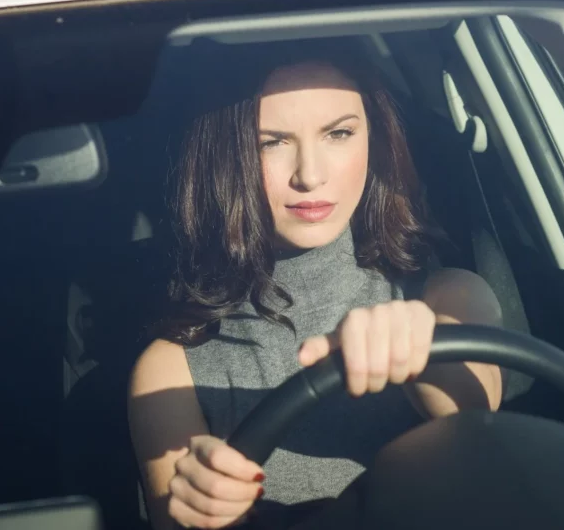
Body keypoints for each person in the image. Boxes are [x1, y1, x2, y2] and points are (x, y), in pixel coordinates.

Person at [127, 40, 505, 530]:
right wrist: (202, 508)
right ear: (225, 156)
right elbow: (180, 521)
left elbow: (478, 414)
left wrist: (424, 351)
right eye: (272, 141)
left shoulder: (448, 295)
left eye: (339, 133)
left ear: (375, 139)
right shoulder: (168, 368)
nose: (311, 175)